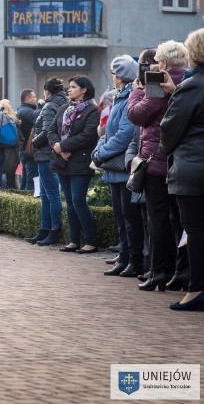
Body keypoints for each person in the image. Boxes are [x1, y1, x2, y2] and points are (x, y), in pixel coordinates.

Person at [129, 41, 190, 293]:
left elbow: (137, 115)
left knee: (158, 219)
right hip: (181, 161)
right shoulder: (189, 80)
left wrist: (136, 91)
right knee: (182, 221)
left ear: (163, 62)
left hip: (156, 163)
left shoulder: (156, 82)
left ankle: (158, 273)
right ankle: (182, 273)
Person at [160, 28, 204, 311]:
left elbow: (170, 130)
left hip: (194, 170)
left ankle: (197, 289)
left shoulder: (193, 85)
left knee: (196, 231)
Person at [94, 56, 142, 277]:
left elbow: (125, 134)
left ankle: (135, 260)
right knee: (121, 219)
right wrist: (100, 147)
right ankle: (124, 258)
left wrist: (102, 152)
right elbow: (109, 131)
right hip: (114, 168)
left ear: (121, 77)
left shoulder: (130, 98)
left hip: (122, 168)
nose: (112, 77)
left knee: (130, 219)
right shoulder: (120, 98)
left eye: (114, 74)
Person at [48, 75, 100, 254]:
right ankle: (74, 240)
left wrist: (64, 145)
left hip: (80, 162)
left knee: (79, 201)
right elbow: (52, 131)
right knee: (69, 202)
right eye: (69, 87)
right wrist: (58, 147)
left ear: (84, 89)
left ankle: (91, 241)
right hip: (62, 161)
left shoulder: (92, 110)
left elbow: (89, 135)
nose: (68, 90)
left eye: (73, 87)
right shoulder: (64, 108)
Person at [27, 79, 68, 246]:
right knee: (47, 195)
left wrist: (34, 143)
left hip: (45, 154)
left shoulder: (50, 106)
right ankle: (45, 230)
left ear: (47, 91)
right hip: (49, 153)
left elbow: (46, 131)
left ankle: (53, 230)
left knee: (49, 195)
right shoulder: (63, 103)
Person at [16, 89, 38, 190]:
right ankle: (29, 196)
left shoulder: (21, 111)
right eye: (33, 97)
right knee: (32, 177)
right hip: (30, 149)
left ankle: (23, 196)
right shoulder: (30, 112)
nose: (36, 99)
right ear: (27, 99)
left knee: (25, 176)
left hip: (23, 149)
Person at [0, 99, 22, 189]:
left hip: (4, 152)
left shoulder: (0, 120)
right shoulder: (15, 121)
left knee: (0, 178)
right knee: (11, 179)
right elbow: (20, 139)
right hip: (14, 154)